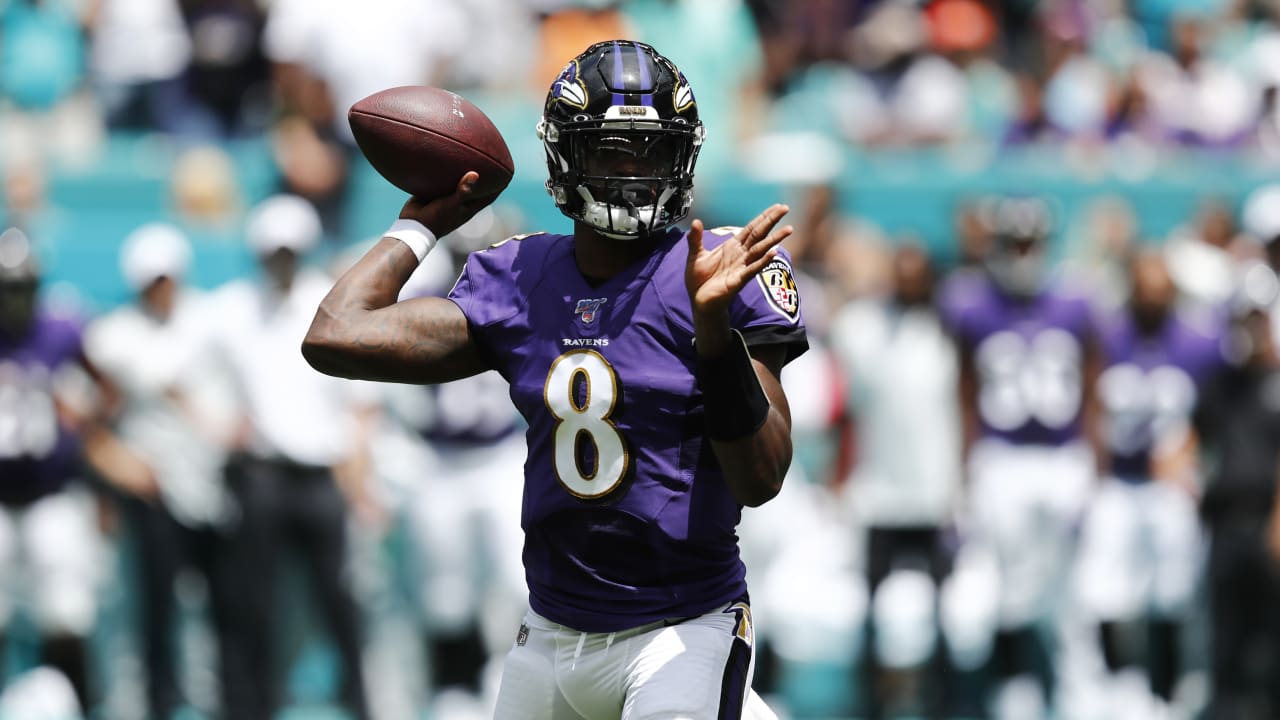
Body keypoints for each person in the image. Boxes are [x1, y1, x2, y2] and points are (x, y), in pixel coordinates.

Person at [303, 39, 806, 720]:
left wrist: (713, 336)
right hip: (546, 634)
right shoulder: (520, 280)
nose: (631, 172)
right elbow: (334, 334)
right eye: (610, 150)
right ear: (567, 155)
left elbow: (762, 478)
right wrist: (420, 224)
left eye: (648, 151)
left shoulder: (717, 269)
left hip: (681, 629)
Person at [209, 194, 374, 720]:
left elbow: (358, 406)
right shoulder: (232, 310)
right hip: (260, 474)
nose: (280, 261)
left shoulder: (327, 303)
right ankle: (251, 709)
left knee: (340, 604)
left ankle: (358, 704)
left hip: (321, 475)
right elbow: (187, 378)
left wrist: (358, 480)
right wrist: (218, 424)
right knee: (252, 604)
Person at [938, 196, 1101, 718]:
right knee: (1004, 586)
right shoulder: (973, 302)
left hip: (1062, 458)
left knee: (1072, 590)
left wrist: (1092, 460)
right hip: (1002, 458)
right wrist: (965, 469)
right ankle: (1016, 688)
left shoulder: (1076, 301)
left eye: (1032, 242)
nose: (1024, 253)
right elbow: (964, 393)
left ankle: (1073, 695)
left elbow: (1094, 387)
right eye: (1015, 243)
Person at [82, 223, 237, 720]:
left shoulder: (210, 321)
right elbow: (94, 422)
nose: (162, 288)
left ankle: (218, 698)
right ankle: (157, 702)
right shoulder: (114, 335)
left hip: (215, 482)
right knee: (154, 606)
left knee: (220, 601)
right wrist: (121, 468)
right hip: (152, 488)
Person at [1074, 251, 1222, 715]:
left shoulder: (1199, 345)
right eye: (1145, 289)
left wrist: (1193, 456)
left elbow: (1218, 414)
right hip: (1119, 481)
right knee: (1105, 590)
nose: (1152, 299)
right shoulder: (1108, 339)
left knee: (1172, 594)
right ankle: (1114, 690)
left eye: (1161, 290)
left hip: (1171, 489)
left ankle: (1168, 690)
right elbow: (1089, 404)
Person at [830, 244, 961, 718]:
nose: (907, 284)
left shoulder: (948, 334)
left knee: (946, 613)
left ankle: (942, 703)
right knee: (871, 612)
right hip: (878, 496)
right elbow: (834, 318)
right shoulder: (867, 330)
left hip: (934, 496)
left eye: (915, 275)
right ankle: (871, 705)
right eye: (899, 275)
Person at [0, 227, 105, 714]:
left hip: (53, 494)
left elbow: (105, 390)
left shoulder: (63, 331)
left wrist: (82, 415)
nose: (15, 298)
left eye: (22, 286)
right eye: (8, 287)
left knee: (65, 614)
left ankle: (75, 708)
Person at [1194, 265, 1280, 720]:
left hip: (1269, 525)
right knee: (1225, 639)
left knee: (1270, 644)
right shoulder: (1219, 385)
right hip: (1225, 525)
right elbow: (1192, 441)